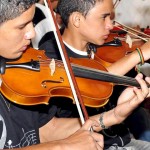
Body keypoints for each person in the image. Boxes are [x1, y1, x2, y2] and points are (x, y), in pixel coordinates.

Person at [1, 0, 150, 150]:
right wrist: (64, 146)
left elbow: (46, 131)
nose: (33, 33)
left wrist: (115, 116)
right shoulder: (51, 52)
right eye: (21, 26)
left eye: (31, 23)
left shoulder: (23, 68)